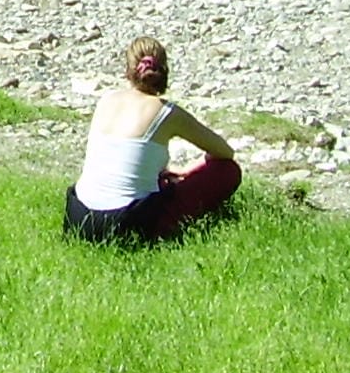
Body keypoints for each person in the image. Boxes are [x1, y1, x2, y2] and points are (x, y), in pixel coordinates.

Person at [64, 36, 240, 243]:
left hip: (77, 218)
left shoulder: (106, 100)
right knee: (228, 171)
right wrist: (189, 169)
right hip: (125, 223)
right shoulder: (167, 112)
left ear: (129, 70)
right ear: (164, 71)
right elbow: (225, 152)